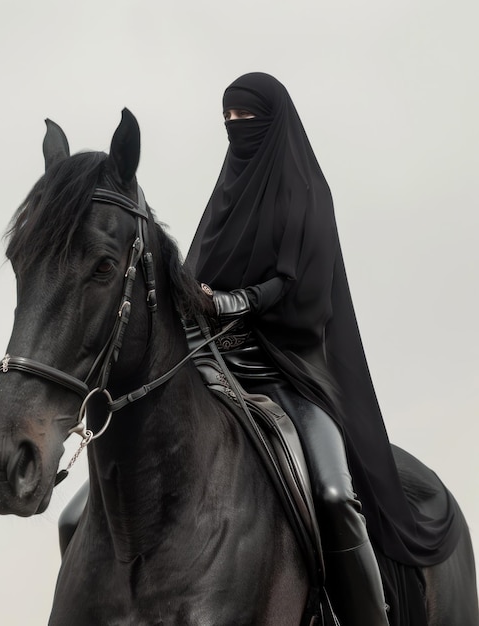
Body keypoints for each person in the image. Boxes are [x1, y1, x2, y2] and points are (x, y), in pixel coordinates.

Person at [186, 72, 458, 626]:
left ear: (275, 122)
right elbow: (194, 276)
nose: (237, 131)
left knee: (334, 496)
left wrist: (229, 303)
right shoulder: (225, 194)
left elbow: (296, 289)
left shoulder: (306, 192)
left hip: (290, 371)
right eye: (228, 121)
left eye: (247, 120)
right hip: (217, 365)